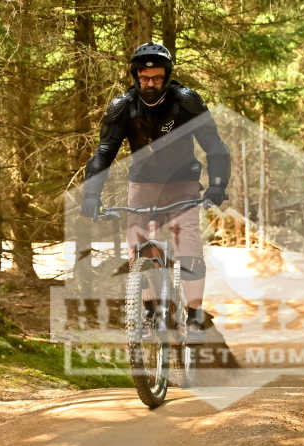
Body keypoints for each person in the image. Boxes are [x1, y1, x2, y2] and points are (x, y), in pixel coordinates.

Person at [80, 41, 230, 340]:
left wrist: (216, 186)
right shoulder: (123, 106)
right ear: (136, 76)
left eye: (157, 78)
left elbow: (215, 146)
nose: (150, 84)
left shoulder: (185, 101)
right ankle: (149, 312)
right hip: (143, 182)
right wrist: (91, 195)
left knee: (186, 239)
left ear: (167, 76)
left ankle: (194, 315)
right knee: (138, 242)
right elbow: (104, 152)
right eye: (145, 78)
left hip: (183, 182)